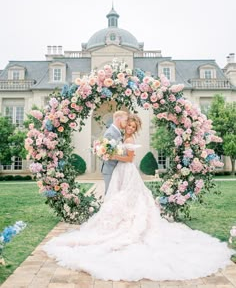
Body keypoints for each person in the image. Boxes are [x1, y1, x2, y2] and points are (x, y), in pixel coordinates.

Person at [43, 114, 234, 282]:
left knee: (129, 198)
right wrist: (109, 151)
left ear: (136, 128)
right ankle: (118, 223)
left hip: (126, 170)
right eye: (129, 125)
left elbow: (130, 158)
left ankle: (127, 225)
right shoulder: (121, 135)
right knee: (119, 198)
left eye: (134, 126)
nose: (131, 128)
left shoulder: (129, 138)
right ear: (126, 124)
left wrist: (113, 154)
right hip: (120, 171)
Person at [101, 110, 128, 193]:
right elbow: (106, 154)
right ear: (118, 119)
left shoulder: (117, 132)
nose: (126, 123)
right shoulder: (110, 133)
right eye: (125, 120)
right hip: (111, 170)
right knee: (110, 197)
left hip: (117, 170)